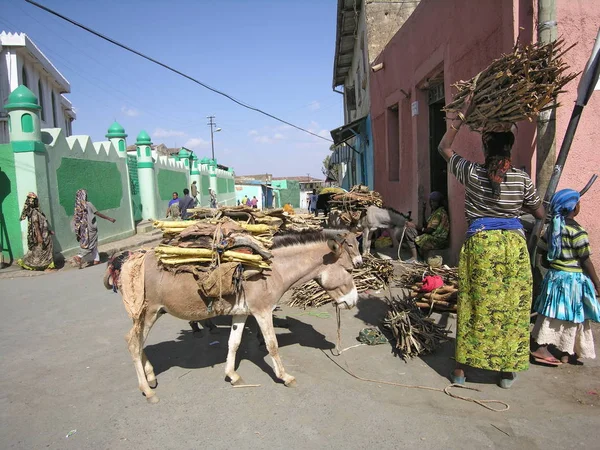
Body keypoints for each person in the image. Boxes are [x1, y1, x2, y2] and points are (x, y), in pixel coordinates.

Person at [438, 95, 545, 389]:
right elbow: (539, 212)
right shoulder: (521, 180)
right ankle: (506, 373)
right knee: (512, 308)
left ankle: (460, 372)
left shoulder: (472, 173)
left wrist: (462, 114)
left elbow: (444, 148)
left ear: (486, 148)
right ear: (509, 148)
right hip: (513, 247)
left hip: (481, 246)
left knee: (474, 304)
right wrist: (516, 208)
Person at [530, 189, 600, 365]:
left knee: (552, 313)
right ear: (574, 208)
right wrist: (597, 283)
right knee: (571, 315)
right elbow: (585, 261)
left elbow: (542, 249)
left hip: (555, 276)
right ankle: (558, 350)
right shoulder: (578, 232)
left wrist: (550, 265)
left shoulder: (553, 228)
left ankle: (562, 350)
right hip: (573, 281)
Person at [72, 189, 116, 268]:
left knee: (93, 244)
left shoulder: (77, 207)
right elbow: (97, 213)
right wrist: (109, 218)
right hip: (90, 228)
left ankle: (97, 260)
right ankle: (79, 256)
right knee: (90, 244)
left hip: (82, 230)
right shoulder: (88, 204)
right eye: (86, 194)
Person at [405, 191, 450, 262]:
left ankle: (416, 258)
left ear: (439, 202)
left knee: (419, 237)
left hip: (438, 239)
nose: (432, 204)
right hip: (432, 235)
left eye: (434, 202)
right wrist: (423, 211)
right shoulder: (435, 212)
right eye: (431, 202)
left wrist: (414, 226)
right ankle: (417, 257)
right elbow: (425, 225)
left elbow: (429, 230)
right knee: (409, 231)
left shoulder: (439, 213)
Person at [16, 192, 55, 271]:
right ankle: (30, 264)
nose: (35, 201)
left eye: (35, 200)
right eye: (33, 200)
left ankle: (47, 266)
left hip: (45, 235)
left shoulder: (38, 211)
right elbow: (36, 225)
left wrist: (49, 231)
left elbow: (42, 223)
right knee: (38, 253)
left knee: (42, 253)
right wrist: (39, 236)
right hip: (40, 237)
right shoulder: (34, 213)